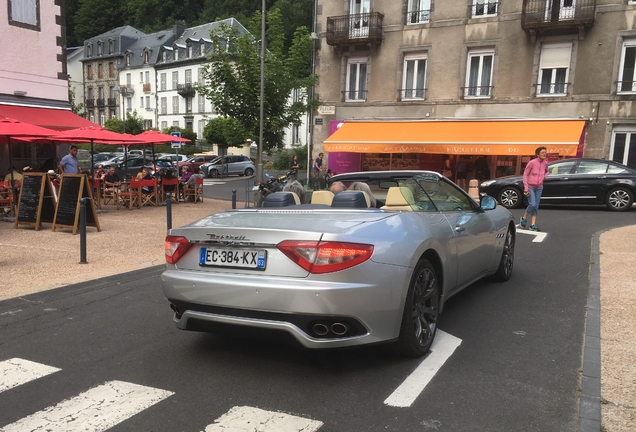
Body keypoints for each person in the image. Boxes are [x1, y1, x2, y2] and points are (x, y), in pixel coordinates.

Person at [520, 146, 549, 232]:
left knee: (536, 206)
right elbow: (525, 174)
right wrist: (526, 187)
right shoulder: (532, 163)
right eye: (542, 152)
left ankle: (532, 225)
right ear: (537, 154)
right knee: (532, 204)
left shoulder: (545, 163)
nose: (544, 154)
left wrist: (545, 176)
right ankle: (524, 217)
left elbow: (547, 171)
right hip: (530, 187)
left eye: (545, 152)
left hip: (539, 187)